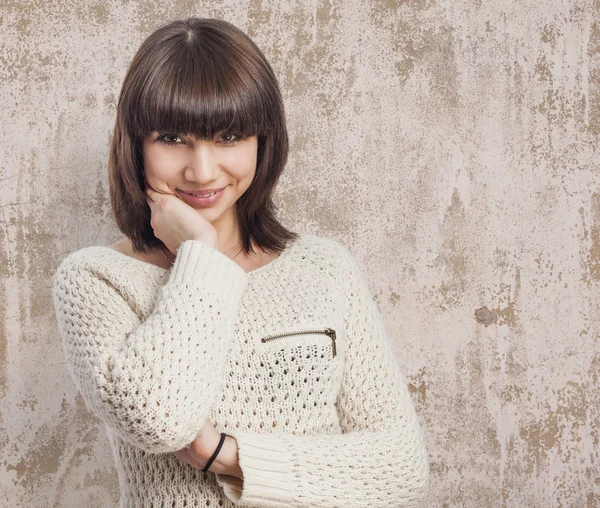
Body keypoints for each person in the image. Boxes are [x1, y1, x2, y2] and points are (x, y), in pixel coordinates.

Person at [51, 17, 430, 507]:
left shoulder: (323, 268)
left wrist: (228, 456)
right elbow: (159, 418)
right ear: (136, 144)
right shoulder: (95, 280)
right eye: (171, 138)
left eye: (229, 137)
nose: (202, 170)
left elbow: (401, 469)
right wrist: (201, 254)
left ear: (263, 141)